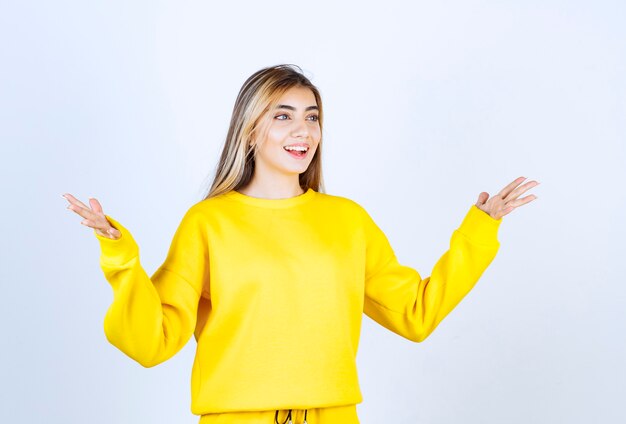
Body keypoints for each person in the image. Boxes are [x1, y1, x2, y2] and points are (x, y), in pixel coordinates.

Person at [63, 64, 539, 424]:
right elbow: (152, 341)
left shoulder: (346, 221)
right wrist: (122, 259)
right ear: (251, 130)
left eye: (312, 117)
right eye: (283, 116)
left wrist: (479, 229)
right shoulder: (208, 223)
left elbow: (416, 314)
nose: (303, 131)